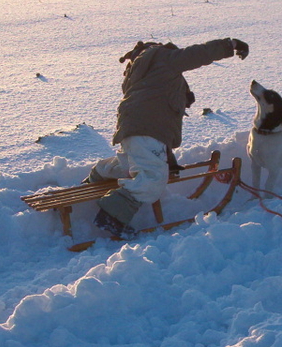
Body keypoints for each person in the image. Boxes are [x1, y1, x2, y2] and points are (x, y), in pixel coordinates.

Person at [85, 38, 249, 239]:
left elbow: (155, 97)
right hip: (147, 127)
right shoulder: (162, 57)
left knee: (135, 164)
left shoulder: (140, 70)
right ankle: (111, 215)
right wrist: (230, 45)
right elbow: (197, 54)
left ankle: (99, 173)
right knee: (153, 178)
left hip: (133, 126)